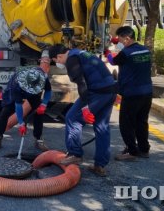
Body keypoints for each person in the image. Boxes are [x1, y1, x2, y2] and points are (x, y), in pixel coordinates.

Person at [48, 44, 117, 177]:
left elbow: (82, 83)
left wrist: (86, 106)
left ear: (60, 56)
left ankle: (75, 154)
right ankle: (100, 165)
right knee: (102, 127)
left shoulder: (71, 60)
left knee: (72, 118)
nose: (58, 63)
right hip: (109, 90)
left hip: (97, 93)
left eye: (56, 61)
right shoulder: (81, 53)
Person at [106, 26, 153, 161]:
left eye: (120, 39)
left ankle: (132, 151)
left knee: (126, 123)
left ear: (127, 38)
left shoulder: (126, 53)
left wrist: (107, 52)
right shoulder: (145, 50)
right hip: (147, 92)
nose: (119, 41)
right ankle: (144, 149)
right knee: (141, 122)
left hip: (132, 93)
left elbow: (112, 61)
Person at [0, 65, 52, 152]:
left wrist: (44, 105)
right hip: (18, 89)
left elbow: (48, 90)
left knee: (39, 112)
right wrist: (21, 123)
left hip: (34, 93)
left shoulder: (42, 77)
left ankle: (38, 139)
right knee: (5, 111)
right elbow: (18, 105)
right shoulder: (16, 84)